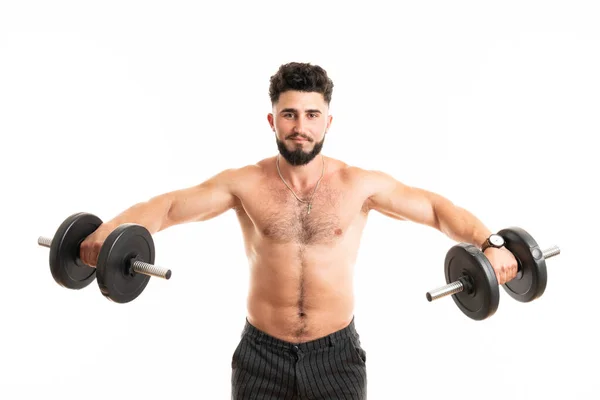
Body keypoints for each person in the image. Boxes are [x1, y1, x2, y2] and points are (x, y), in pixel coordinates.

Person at [79, 62, 518, 400]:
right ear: (272, 121)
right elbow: (171, 207)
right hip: (260, 357)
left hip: (337, 355)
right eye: (289, 114)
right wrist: (110, 231)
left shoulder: (358, 185)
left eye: (312, 114)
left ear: (329, 121)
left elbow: (437, 210)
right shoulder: (245, 183)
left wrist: (490, 243)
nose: (300, 127)